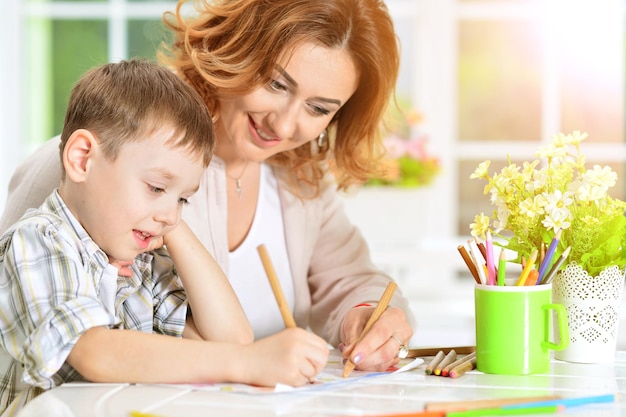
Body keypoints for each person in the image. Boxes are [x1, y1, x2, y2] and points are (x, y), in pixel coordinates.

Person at [0, 0, 416, 373]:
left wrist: (370, 314)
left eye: (318, 108)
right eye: (276, 84)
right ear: (238, 51)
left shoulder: (298, 178)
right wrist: (248, 362)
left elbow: (350, 279)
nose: (286, 125)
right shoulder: (101, 161)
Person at [0, 60, 330, 416]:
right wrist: (248, 363)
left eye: (183, 198)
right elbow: (93, 351)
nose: (171, 215)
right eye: (156, 186)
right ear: (82, 159)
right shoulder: (39, 240)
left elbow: (232, 337)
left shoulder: (143, 263)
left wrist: (173, 225)